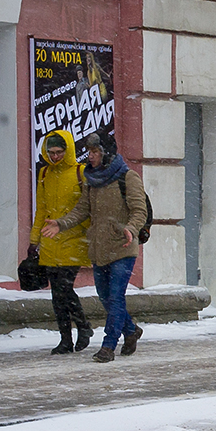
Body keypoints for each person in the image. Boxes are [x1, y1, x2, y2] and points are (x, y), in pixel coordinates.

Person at [44, 131, 148, 363]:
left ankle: (108, 346)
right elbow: (82, 210)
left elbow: (139, 211)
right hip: (99, 249)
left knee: (116, 296)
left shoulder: (127, 177)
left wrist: (130, 229)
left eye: (95, 152)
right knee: (105, 297)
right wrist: (61, 224)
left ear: (106, 153)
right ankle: (131, 330)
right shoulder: (91, 179)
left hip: (123, 246)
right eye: (89, 152)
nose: (90, 156)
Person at [31, 129, 93, 355]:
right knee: (56, 294)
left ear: (68, 150)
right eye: (51, 152)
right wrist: (34, 240)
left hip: (74, 240)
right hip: (50, 239)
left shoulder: (81, 172)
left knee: (64, 289)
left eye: (59, 152)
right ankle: (66, 339)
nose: (55, 156)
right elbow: (41, 209)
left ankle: (83, 326)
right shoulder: (44, 173)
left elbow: (88, 208)